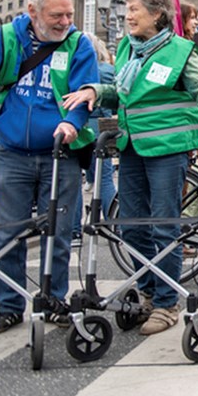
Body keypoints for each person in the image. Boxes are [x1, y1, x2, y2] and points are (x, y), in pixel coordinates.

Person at [62, 0, 198, 336]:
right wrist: (96, 90)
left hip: (166, 149)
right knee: (130, 226)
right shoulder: (127, 48)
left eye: (134, 9)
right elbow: (124, 94)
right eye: (127, 9)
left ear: (157, 13)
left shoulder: (181, 50)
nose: (128, 16)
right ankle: (152, 291)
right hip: (130, 145)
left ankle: (168, 302)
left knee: (163, 225)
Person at [0, 0, 98, 335]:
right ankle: (9, 306)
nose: (66, 21)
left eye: (69, 14)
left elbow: (83, 95)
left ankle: (54, 300)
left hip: (59, 154)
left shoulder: (79, 45)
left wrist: (70, 122)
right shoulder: (2, 40)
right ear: (33, 13)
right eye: (57, 15)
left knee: (60, 231)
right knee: (7, 234)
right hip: (11, 153)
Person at [75, 34, 117, 241]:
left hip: (80, 127)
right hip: (103, 128)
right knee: (105, 177)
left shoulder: (78, 70)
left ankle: (74, 228)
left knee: (73, 177)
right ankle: (113, 220)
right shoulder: (108, 70)